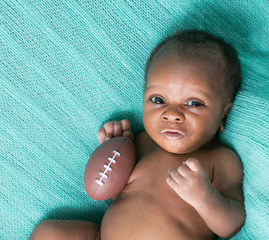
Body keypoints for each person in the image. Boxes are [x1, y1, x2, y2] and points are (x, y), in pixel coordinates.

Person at [29, 29, 245, 240]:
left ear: (223, 114)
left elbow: (231, 226)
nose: (172, 115)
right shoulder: (140, 142)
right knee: (48, 233)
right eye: (158, 100)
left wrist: (205, 199)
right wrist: (112, 148)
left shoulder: (221, 159)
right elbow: (115, 195)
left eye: (193, 103)